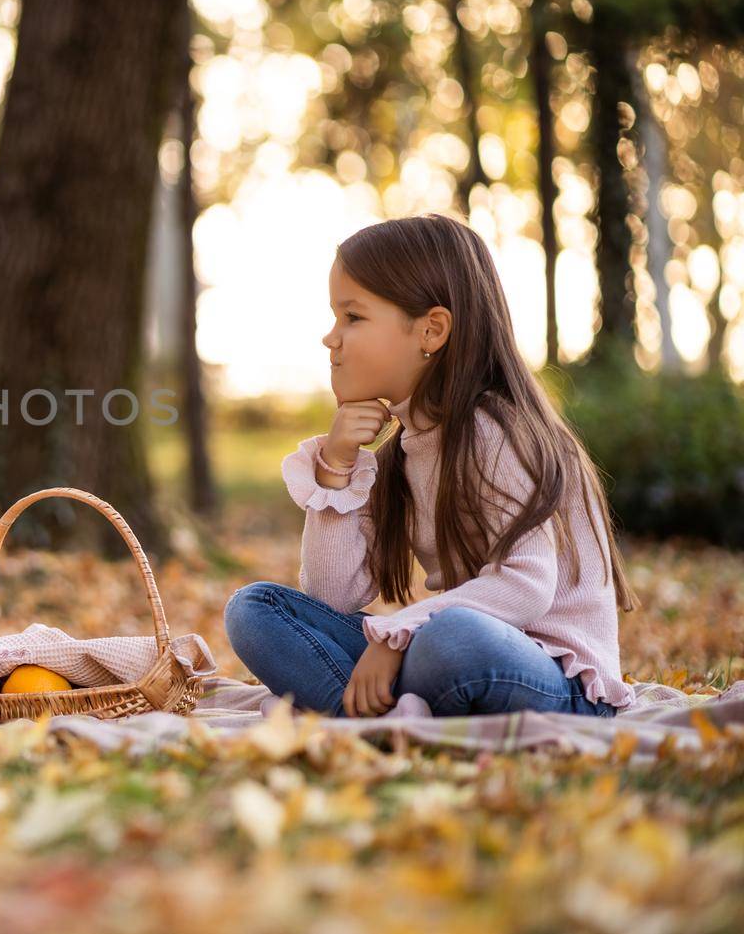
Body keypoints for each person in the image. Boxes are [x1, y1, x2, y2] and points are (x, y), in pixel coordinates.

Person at [223, 213, 637, 719]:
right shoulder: (401, 451)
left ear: (431, 331)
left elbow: (526, 586)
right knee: (254, 609)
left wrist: (401, 633)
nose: (331, 339)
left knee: (452, 638)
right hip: (444, 654)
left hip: (555, 678)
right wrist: (336, 467)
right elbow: (334, 595)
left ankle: (357, 709)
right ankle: (381, 714)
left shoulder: (494, 429)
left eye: (352, 317)